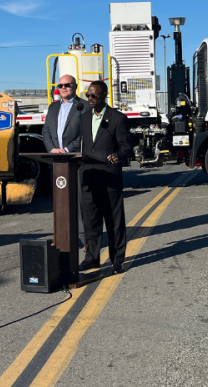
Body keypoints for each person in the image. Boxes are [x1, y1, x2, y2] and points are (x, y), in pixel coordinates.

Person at [79, 80, 132, 273]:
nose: (90, 99)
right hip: (88, 175)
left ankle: (117, 259)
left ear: (104, 96)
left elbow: (126, 146)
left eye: (94, 95)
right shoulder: (83, 118)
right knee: (90, 221)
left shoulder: (118, 118)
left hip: (109, 176)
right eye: (88, 95)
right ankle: (92, 258)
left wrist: (118, 155)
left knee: (113, 221)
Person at [41, 75, 84, 154]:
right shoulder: (53, 107)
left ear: (75, 86)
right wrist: (52, 149)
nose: (63, 88)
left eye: (67, 85)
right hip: (56, 157)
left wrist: (67, 149)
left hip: (76, 157)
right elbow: (46, 130)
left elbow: (85, 133)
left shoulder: (84, 106)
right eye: (60, 86)